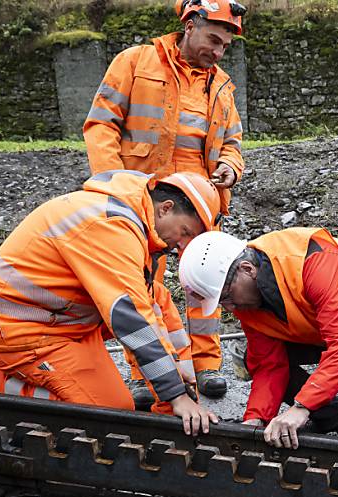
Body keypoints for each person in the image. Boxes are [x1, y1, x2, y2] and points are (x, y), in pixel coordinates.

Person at [0, 170, 223, 436]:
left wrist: (177, 385)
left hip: (61, 321)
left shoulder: (129, 217)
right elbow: (130, 317)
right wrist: (175, 394)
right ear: (166, 209)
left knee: (157, 297)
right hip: (16, 329)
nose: (181, 246)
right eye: (185, 232)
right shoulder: (110, 227)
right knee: (110, 412)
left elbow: (145, 307)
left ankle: (172, 396)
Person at [83, 0, 246, 404]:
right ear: (190, 24)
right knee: (140, 286)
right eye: (213, 40)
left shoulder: (222, 84)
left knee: (206, 283)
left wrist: (230, 166)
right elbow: (101, 123)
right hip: (143, 200)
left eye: (225, 45)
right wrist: (113, 186)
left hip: (200, 202)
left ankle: (206, 366)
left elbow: (233, 142)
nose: (218, 51)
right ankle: (143, 372)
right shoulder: (136, 62)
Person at [177, 230, 338, 448]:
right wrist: (255, 420)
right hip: (320, 326)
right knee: (254, 356)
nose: (228, 308)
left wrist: (302, 407)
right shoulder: (245, 296)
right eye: (221, 303)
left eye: (226, 297)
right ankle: (336, 417)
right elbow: (269, 363)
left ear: (247, 269)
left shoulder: (313, 259)